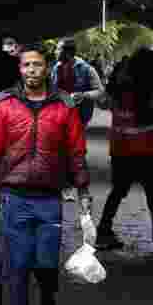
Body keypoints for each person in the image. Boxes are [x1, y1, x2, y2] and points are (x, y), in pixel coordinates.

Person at [0, 43, 92, 305]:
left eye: (37, 65)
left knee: (46, 263)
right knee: (18, 265)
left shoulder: (64, 107)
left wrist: (83, 196)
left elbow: (77, 153)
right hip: (14, 198)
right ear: (20, 68)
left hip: (49, 198)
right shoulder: (5, 106)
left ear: (46, 68)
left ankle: (49, 298)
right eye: (26, 65)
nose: (31, 71)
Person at [95, 49, 153, 250]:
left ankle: (103, 230)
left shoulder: (117, 86)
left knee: (118, 190)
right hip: (144, 147)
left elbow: (108, 104)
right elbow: (147, 117)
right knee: (152, 191)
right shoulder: (144, 86)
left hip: (121, 146)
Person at [50, 36, 104, 200]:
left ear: (68, 52)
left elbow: (100, 91)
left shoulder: (86, 69)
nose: (55, 52)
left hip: (79, 116)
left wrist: (84, 95)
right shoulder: (56, 68)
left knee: (76, 152)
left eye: (58, 49)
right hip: (59, 115)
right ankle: (65, 187)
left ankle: (82, 189)